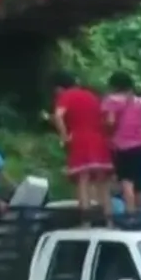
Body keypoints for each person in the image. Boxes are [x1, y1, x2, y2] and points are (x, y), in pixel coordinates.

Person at [51, 71, 114, 221]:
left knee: (82, 179)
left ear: (59, 88)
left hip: (80, 139)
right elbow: (106, 119)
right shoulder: (91, 96)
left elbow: (58, 115)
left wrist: (64, 136)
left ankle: (86, 219)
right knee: (102, 180)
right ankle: (108, 219)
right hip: (99, 139)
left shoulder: (66, 96)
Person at [101, 71, 141, 216]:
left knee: (126, 181)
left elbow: (110, 122)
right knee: (139, 182)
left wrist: (107, 132)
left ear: (113, 85)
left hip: (123, 146)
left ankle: (131, 214)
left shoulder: (111, 100)